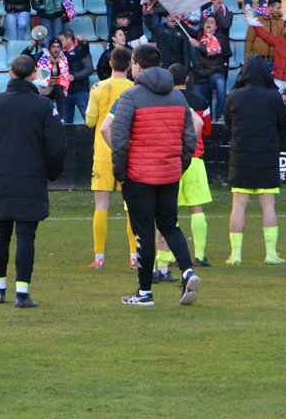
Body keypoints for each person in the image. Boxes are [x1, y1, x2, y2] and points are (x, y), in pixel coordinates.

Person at [103, 45, 200, 307]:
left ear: (137, 65)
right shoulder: (179, 98)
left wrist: (120, 172)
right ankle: (188, 270)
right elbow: (189, 138)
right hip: (169, 174)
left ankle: (145, 292)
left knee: (143, 232)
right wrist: (179, 165)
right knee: (170, 225)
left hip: (139, 176)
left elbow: (120, 139)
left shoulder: (131, 97)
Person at [0, 54, 66, 309]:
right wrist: (50, 172)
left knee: (1, 233)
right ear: (33, 75)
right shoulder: (42, 106)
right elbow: (57, 145)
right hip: (31, 176)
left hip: (2, 176)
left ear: (10, 74)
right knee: (26, 235)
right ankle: (22, 292)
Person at [224, 56, 286, 265]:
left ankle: (236, 254)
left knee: (238, 205)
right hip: (266, 155)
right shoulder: (274, 97)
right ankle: (271, 254)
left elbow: (228, 122)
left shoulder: (233, 96)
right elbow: (283, 123)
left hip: (240, 155)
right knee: (268, 205)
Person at [85, 46, 136, 269]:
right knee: (132, 206)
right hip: (129, 153)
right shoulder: (136, 88)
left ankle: (99, 257)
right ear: (130, 65)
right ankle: (135, 255)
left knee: (101, 205)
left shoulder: (98, 87)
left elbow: (89, 121)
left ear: (110, 64)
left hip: (104, 153)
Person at [167, 64, 213, 267]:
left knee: (169, 210)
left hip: (172, 159)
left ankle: (169, 256)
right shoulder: (200, 101)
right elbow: (208, 129)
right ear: (187, 78)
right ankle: (200, 256)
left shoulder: (165, 100)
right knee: (197, 208)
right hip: (194, 158)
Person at [248, 15, 286, 92]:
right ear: (284, 28)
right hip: (277, 80)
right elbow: (263, 35)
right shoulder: (278, 41)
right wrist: (254, 22)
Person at [189, 14, 231, 117]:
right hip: (200, 76)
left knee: (220, 82)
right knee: (199, 105)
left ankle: (221, 115)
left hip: (214, 73)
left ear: (216, 27)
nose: (208, 23)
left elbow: (209, 51)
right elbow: (186, 29)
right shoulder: (199, 35)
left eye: (212, 22)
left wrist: (198, 45)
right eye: (207, 21)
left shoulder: (220, 38)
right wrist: (178, 20)